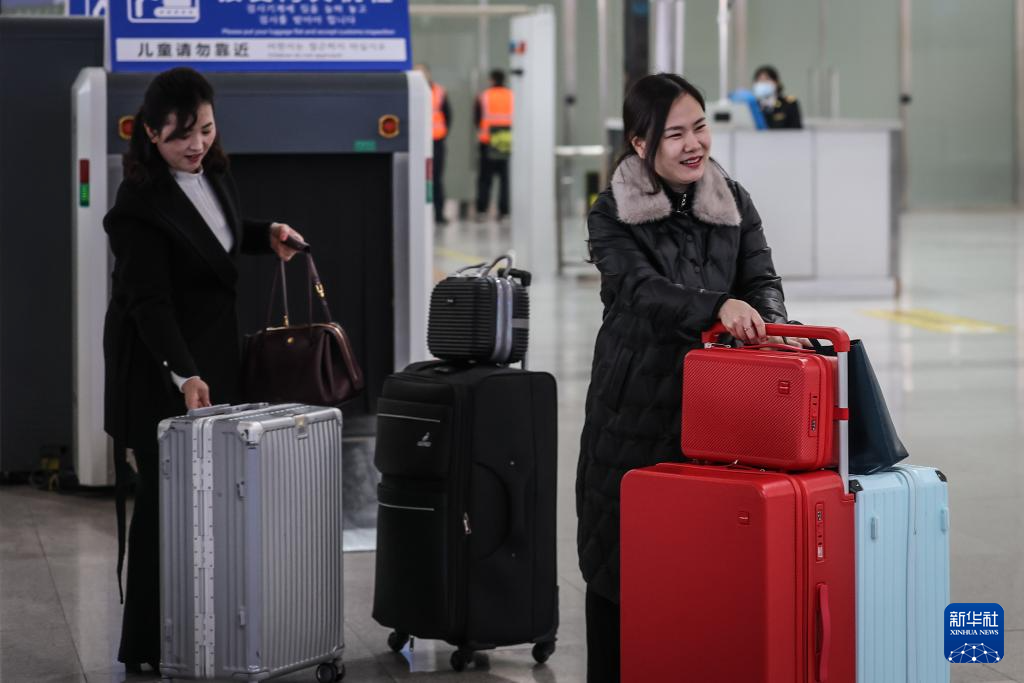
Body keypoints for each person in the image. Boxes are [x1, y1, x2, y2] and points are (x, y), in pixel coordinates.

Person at [576, 73, 802, 682]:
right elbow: (638, 289)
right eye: (674, 133)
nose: (693, 143)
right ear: (640, 144)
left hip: (723, 404)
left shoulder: (732, 199)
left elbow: (761, 277)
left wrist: (772, 326)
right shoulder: (612, 210)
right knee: (621, 557)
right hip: (635, 405)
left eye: (699, 127)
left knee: (704, 560)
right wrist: (715, 307)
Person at [103, 66, 304, 672]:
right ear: (150, 134)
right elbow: (150, 304)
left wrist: (265, 234)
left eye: (207, 129)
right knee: (164, 507)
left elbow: (214, 237)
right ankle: (145, 645)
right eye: (181, 135)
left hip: (212, 362)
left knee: (212, 503)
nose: (197, 144)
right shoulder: (136, 207)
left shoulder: (213, 171)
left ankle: (203, 629)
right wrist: (183, 374)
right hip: (162, 368)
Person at [474, 69, 513, 220]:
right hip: (505, 142)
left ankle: (482, 210)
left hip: (487, 141)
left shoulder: (484, 96)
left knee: (485, 178)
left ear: (491, 80)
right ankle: (504, 211)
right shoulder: (511, 96)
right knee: (505, 179)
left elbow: (477, 119)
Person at [415, 63, 452, 225]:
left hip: (436, 141)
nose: (420, 75)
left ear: (429, 74)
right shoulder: (411, 91)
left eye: (423, 72)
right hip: (416, 143)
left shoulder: (439, 92)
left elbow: (448, 116)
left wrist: (441, 134)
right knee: (416, 178)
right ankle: (417, 215)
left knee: (436, 179)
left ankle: (439, 214)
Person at [753, 64, 802, 129]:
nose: (763, 83)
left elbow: (796, 128)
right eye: (759, 80)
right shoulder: (754, 105)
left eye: (766, 79)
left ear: (776, 82)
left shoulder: (789, 104)